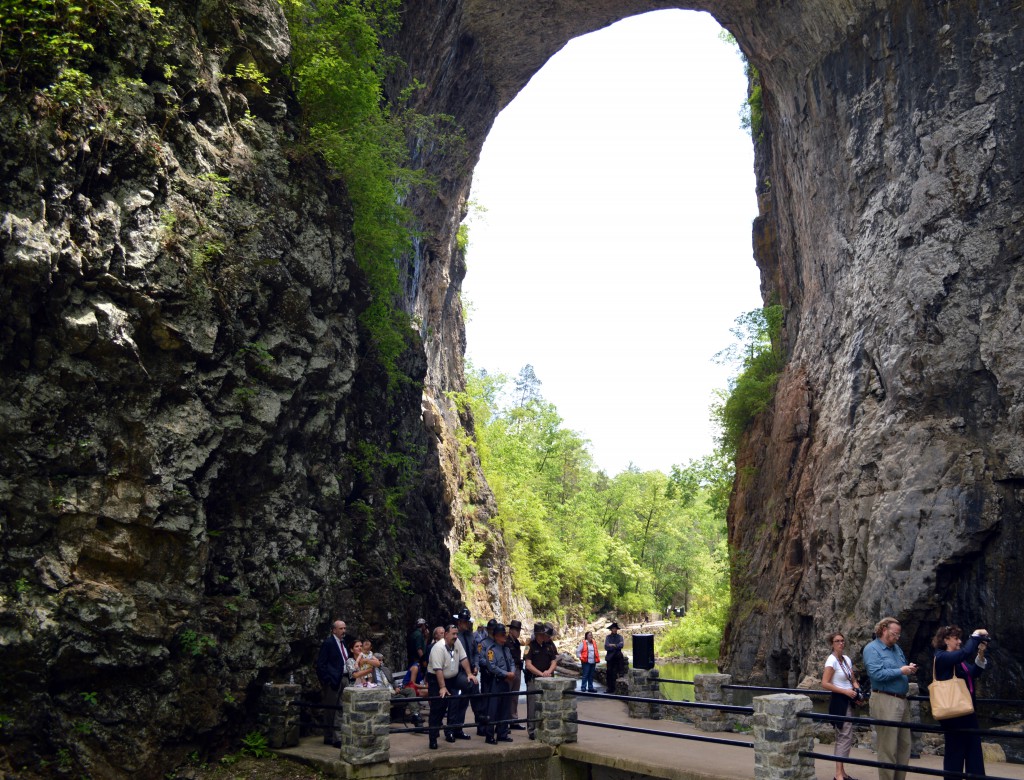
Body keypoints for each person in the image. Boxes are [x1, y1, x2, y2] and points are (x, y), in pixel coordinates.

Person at [864, 617, 918, 780]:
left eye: (899, 634)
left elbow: (899, 668)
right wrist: (901, 671)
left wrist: (909, 669)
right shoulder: (872, 649)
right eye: (895, 633)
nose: (897, 637)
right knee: (888, 747)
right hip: (885, 699)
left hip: (902, 700)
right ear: (884, 630)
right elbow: (876, 674)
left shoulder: (897, 649)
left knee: (904, 745)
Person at [932, 625, 990, 777]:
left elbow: (973, 673)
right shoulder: (941, 657)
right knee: (955, 755)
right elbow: (965, 652)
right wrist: (975, 635)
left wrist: (981, 654)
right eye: (956, 638)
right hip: (953, 716)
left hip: (967, 713)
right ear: (945, 640)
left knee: (974, 753)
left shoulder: (958, 660)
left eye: (960, 638)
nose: (959, 642)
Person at [426, 623, 478, 749]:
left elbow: (464, 658)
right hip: (437, 680)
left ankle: (452, 730)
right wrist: (442, 687)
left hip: (452, 677)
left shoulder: (457, 642)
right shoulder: (438, 648)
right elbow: (438, 670)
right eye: (453, 634)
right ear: (446, 635)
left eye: (456, 634)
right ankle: (433, 737)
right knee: (438, 709)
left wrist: (469, 674)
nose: (456, 636)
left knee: (469, 687)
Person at [821, 632, 864, 780]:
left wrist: (858, 691)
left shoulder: (846, 659)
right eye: (837, 641)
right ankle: (838, 774)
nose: (840, 643)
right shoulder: (831, 660)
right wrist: (845, 691)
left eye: (842, 641)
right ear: (832, 644)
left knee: (846, 736)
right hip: (839, 700)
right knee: (843, 736)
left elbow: (852, 678)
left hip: (848, 699)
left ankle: (842, 772)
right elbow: (825, 683)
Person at [315, 619, 350, 746]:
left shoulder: (344, 643)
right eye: (341, 629)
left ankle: (337, 737)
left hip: (345, 678)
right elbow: (321, 664)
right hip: (333, 680)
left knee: (341, 708)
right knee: (331, 709)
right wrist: (327, 680)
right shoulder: (328, 643)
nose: (343, 631)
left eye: (345, 628)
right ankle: (329, 736)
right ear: (334, 630)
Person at [480, 623, 516, 743]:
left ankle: (502, 733)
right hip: (496, 681)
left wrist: (512, 672)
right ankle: (489, 735)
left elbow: (512, 662)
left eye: (504, 635)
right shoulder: (491, 650)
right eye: (501, 635)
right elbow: (492, 666)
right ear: (495, 636)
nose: (504, 637)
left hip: (506, 682)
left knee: (505, 708)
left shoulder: (506, 649)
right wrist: (506, 674)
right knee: (493, 709)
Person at [523, 622, 558, 740]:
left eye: (544, 634)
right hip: (534, 680)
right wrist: (541, 674)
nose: (543, 637)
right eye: (541, 634)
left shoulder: (548, 646)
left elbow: (554, 661)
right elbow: (528, 665)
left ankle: (545, 727)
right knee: (532, 705)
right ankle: (531, 730)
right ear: (536, 635)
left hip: (546, 679)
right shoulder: (529, 646)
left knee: (547, 704)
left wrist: (548, 671)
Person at [506, 620, 525, 729]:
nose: (518, 633)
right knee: (508, 695)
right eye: (516, 630)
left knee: (514, 695)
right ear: (511, 630)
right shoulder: (507, 642)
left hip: (517, 669)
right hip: (510, 670)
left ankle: (513, 719)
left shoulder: (516, 642)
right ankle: (506, 720)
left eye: (519, 630)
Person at [604, 622, 626, 695]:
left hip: (617, 657)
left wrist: (613, 645)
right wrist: (616, 646)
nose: (614, 630)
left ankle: (615, 689)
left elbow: (621, 645)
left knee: (617, 671)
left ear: (617, 629)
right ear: (611, 629)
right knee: (609, 673)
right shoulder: (608, 637)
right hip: (610, 657)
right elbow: (606, 646)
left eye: (615, 628)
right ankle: (610, 688)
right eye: (613, 628)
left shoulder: (620, 637)